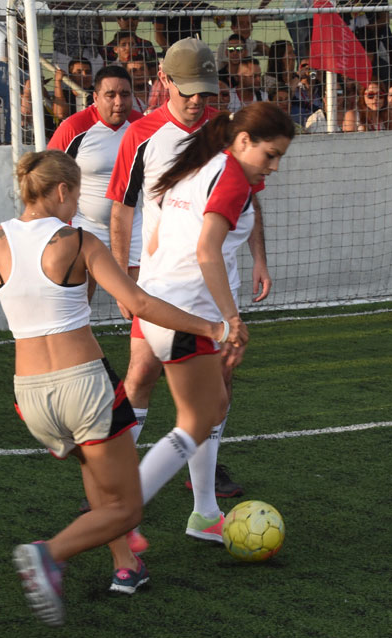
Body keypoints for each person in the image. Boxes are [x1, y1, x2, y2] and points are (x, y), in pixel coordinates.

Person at [0, 149, 240, 624]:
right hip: (84, 389)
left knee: (96, 469)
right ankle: (48, 554)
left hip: (30, 399)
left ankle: (126, 565)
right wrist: (213, 328)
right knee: (128, 507)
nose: (75, 208)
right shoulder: (77, 241)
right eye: (75, 198)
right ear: (61, 191)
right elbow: (138, 302)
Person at [107, 37, 267, 514]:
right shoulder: (141, 134)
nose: (199, 100)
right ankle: (114, 482)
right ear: (164, 80)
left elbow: (247, 201)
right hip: (161, 284)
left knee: (220, 383)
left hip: (216, 281)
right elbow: (121, 211)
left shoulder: (226, 132)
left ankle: (203, 487)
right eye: (189, 90)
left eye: (207, 90)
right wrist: (122, 279)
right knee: (140, 375)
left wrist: (260, 257)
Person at [135, 102, 292, 542]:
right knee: (198, 418)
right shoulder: (230, 177)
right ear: (244, 142)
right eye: (270, 155)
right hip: (186, 312)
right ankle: (120, 513)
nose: (275, 167)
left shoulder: (203, 164)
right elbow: (206, 250)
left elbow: (160, 236)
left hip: (166, 304)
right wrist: (229, 319)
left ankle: (204, 513)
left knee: (212, 407)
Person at [48, 65, 143, 275]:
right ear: (96, 97)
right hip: (86, 224)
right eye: (110, 95)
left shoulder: (142, 126)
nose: (119, 102)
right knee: (79, 298)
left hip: (134, 225)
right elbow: (47, 173)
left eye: (125, 94)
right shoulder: (74, 127)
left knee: (138, 299)